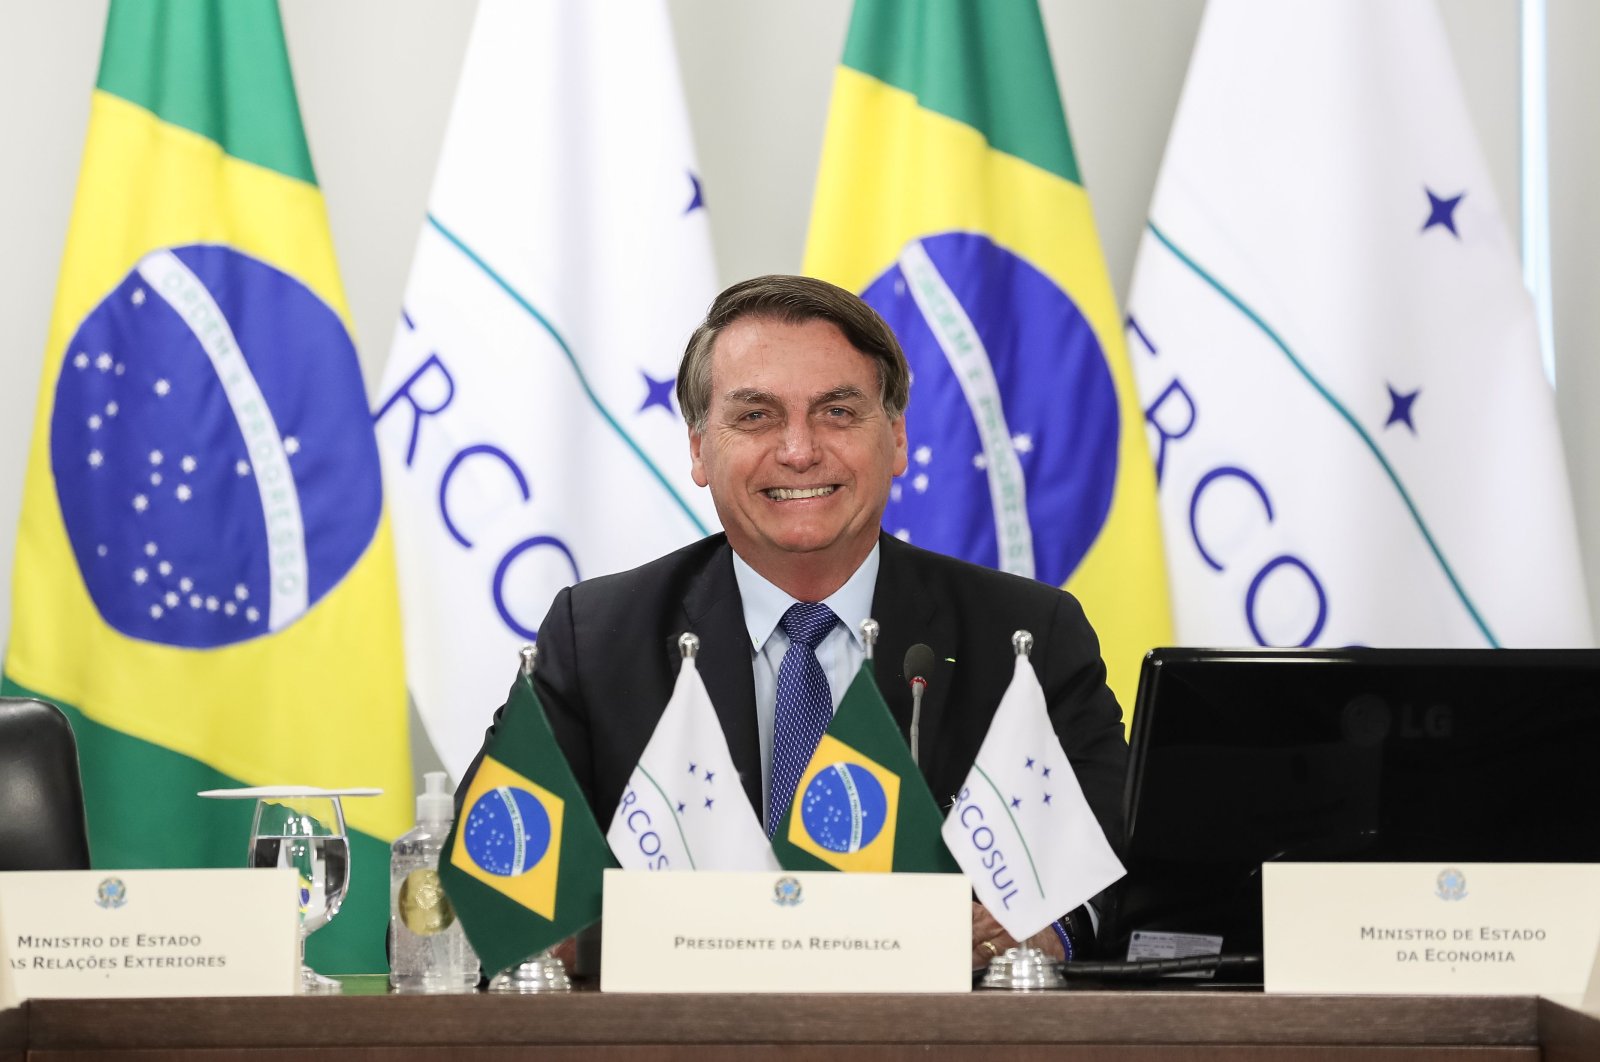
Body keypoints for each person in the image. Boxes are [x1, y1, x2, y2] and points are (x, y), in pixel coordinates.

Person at [468, 275, 1128, 967]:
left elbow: (1126, 880)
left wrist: (1049, 932)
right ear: (698, 449)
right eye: (755, 416)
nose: (798, 451)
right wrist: (603, 939)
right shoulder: (596, 638)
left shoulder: (1024, 635)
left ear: (896, 438)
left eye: (838, 413)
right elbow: (481, 899)